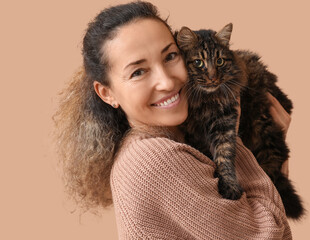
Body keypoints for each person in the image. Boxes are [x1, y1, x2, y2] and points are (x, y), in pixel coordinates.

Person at [54, 1, 293, 239]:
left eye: (170, 56)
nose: (167, 82)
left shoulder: (163, 145)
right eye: (138, 72)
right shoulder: (156, 160)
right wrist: (234, 134)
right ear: (107, 93)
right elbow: (269, 233)